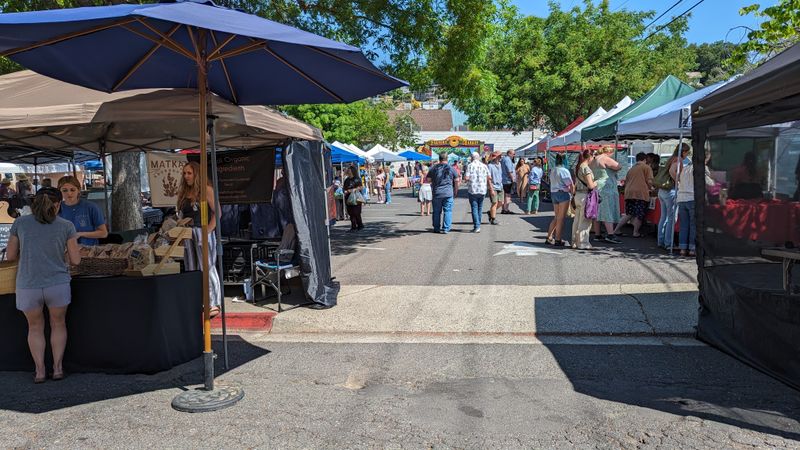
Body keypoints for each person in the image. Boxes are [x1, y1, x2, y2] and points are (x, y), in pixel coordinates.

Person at [6, 187, 81, 383]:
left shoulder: (20, 223)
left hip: (28, 283)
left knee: (34, 327)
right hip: (57, 283)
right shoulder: (66, 225)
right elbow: (76, 260)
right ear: (58, 205)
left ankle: (39, 370)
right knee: (58, 324)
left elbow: (10, 256)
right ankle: (57, 368)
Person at [177, 161, 222, 318]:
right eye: (184, 173)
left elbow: (218, 213)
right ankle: (197, 301)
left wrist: (208, 231)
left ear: (196, 174)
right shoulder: (183, 192)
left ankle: (214, 302)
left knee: (207, 266)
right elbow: (182, 215)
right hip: (188, 233)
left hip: (202, 231)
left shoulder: (206, 190)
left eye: (189, 173)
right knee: (191, 267)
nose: (186, 176)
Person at [57, 176, 108, 246]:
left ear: (78, 190)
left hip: (88, 250)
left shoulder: (91, 207)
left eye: (72, 190)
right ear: (59, 191)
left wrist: (81, 234)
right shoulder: (57, 208)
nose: (69, 193)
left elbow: (103, 233)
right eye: (65, 190)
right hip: (64, 250)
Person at [614, 152, 654, 238]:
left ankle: (616, 229)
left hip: (629, 193)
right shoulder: (646, 167)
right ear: (645, 159)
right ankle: (635, 232)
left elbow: (626, 181)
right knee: (639, 214)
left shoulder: (631, 169)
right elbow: (649, 181)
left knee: (629, 214)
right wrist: (652, 188)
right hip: (640, 193)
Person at [657, 143, 688, 250]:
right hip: (670, 190)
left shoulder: (671, 158)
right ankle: (668, 243)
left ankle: (660, 240)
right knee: (671, 218)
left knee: (663, 217)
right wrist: (678, 181)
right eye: (687, 152)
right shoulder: (678, 159)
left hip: (662, 190)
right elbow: (671, 171)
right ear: (683, 151)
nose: (687, 155)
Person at [590, 146, 622, 243]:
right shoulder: (605, 158)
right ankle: (610, 234)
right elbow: (619, 166)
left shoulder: (594, 160)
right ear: (609, 152)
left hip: (597, 185)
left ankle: (597, 234)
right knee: (607, 210)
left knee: (598, 211)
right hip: (606, 187)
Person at [426, 152, 458, 234]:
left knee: (436, 211)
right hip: (448, 192)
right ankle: (446, 228)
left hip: (437, 192)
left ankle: (436, 228)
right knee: (448, 211)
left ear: (439, 159)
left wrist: (434, 181)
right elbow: (456, 180)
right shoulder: (451, 168)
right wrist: (456, 191)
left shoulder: (433, 168)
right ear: (447, 159)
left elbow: (428, 180)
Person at [572, 149, 598, 250]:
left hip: (578, 195)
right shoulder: (586, 168)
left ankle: (574, 241)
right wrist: (597, 182)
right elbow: (591, 185)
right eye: (593, 157)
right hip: (585, 196)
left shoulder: (577, 167)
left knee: (577, 220)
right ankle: (583, 243)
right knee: (585, 221)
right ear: (590, 157)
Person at [546, 153, 574, 246]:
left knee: (557, 217)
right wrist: (572, 193)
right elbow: (569, 184)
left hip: (554, 193)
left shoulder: (553, 170)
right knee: (561, 218)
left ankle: (549, 237)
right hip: (563, 193)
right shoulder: (564, 170)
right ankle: (558, 239)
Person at [465, 151, 491, 233]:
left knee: (474, 208)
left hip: (473, 189)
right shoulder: (484, 166)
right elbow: (489, 177)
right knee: (480, 208)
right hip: (482, 189)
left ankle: (477, 226)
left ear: (472, 158)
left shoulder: (470, 166)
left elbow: (466, 178)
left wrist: (471, 179)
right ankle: (478, 224)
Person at [343, 165, 364, 231]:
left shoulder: (357, 179)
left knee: (356, 212)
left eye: (349, 170)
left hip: (356, 197)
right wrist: (345, 191)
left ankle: (360, 225)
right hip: (348, 198)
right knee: (351, 213)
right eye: (347, 170)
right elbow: (344, 188)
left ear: (352, 171)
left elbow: (361, 187)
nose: (348, 171)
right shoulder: (346, 180)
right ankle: (353, 226)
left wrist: (353, 190)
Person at [487, 151, 504, 225]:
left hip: (500, 186)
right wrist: (491, 189)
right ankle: (493, 219)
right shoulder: (490, 166)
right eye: (500, 156)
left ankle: (490, 212)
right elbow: (488, 178)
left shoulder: (500, 164)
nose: (501, 157)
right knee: (494, 203)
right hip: (493, 186)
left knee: (501, 203)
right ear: (496, 157)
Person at [500, 149, 516, 213]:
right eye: (513, 154)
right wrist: (513, 179)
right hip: (507, 180)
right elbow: (509, 171)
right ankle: (506, 209)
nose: (514, 155)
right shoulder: (508, 160)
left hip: (504, 179)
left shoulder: (504, 159)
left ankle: (504, 208)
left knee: (505, 195)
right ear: (509, 153)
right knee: (508, 195)